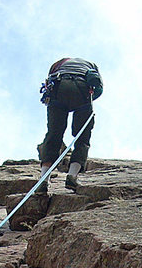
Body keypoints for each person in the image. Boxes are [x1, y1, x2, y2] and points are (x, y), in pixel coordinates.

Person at [37, 57, 103, 193]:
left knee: (54, 135)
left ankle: (43, 179)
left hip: (59, 88)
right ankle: (72, 176)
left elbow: (49, 81)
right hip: (82, 90)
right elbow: (99, 87)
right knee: (82, 138)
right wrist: (86, 103)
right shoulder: (91, 65)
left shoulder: (57, 64)